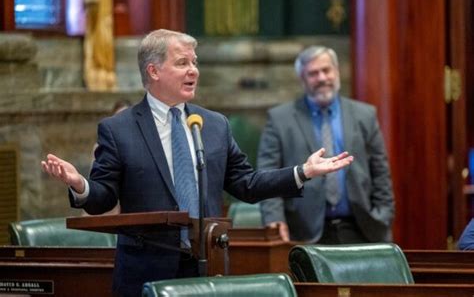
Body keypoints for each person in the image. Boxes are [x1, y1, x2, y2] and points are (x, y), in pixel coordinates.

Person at [41, 30, 353, 296]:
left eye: (194, 62)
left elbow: (247, 184)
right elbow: (103, 199)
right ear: (153, 71)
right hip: (146, 271)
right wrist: (79, 184)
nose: (194, 70)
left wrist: (302, 172)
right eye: (182, 63)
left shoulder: (212, 124)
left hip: (208, 266)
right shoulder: (119, 129)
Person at [258, 45, 394, 244]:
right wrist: (274, 218)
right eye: (313, 73)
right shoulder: (279, 119)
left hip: (363, 229)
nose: (322, 78)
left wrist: (383, 214)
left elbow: (381, 172)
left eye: (326, 70)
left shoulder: (364, 115)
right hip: (303, 233)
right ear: (302, 79)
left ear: (337, 72)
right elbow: (268, 175)